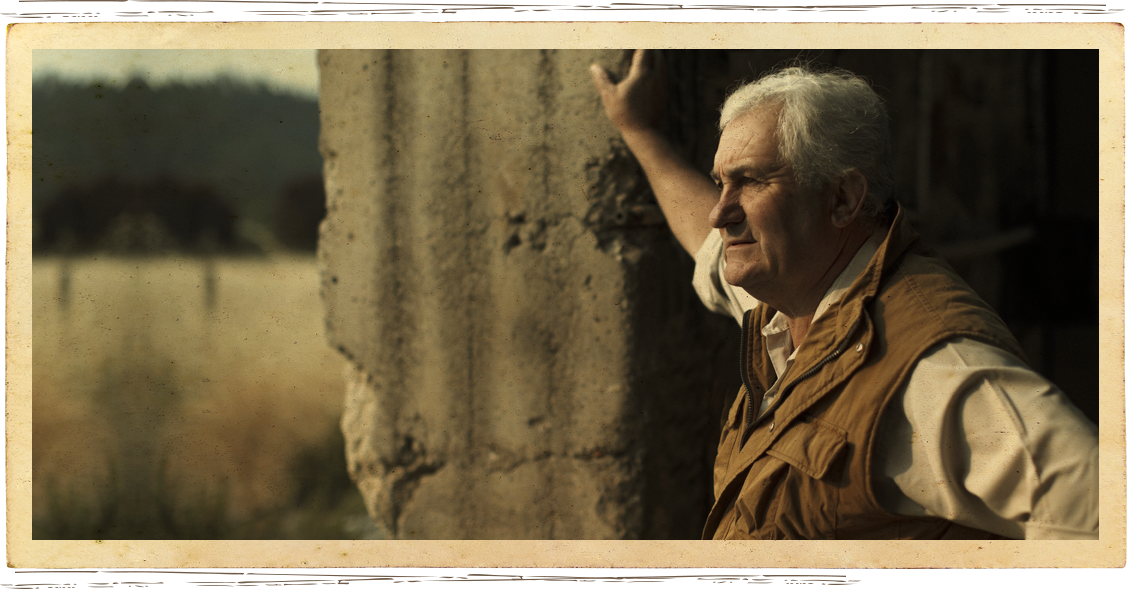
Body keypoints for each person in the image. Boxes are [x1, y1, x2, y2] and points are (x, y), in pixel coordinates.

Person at [590, 50, 1099, 540]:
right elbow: (706, 241)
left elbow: (1101, 518)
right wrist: (640, 131)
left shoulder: (936, 368)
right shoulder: (794, 295)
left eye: (750, 182)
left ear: (842, 198)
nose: (719, 213)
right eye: (721, 183)